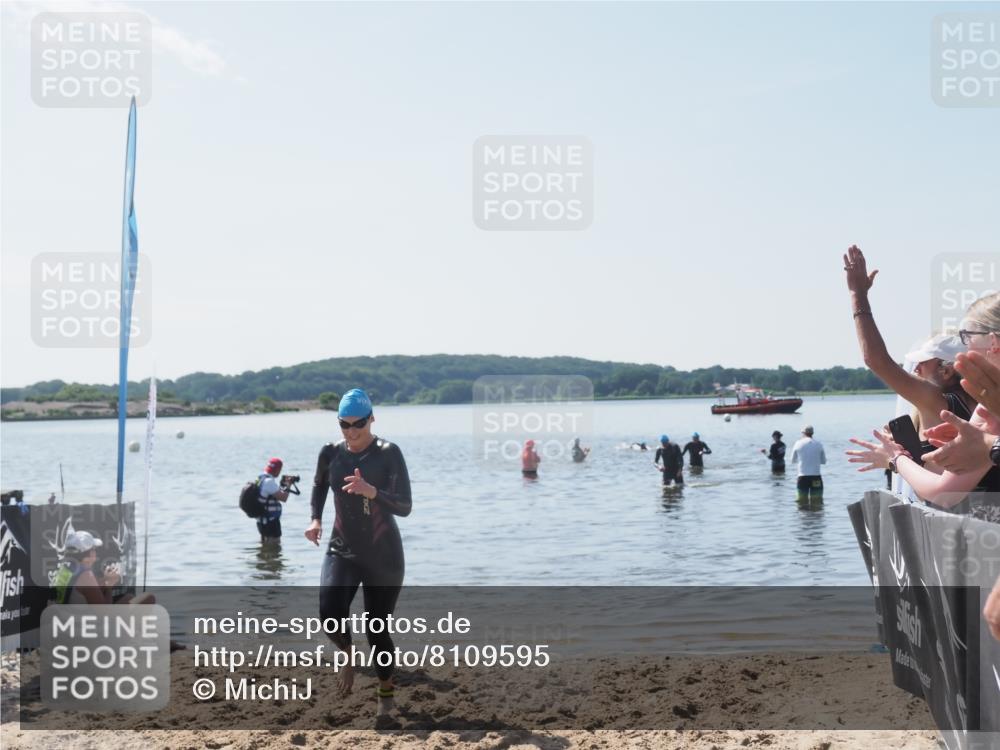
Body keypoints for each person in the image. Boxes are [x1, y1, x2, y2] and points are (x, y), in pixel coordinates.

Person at [305, 388, 412, 716]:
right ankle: (348, 655)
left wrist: (372, 491)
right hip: (342, 546)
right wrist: (315, 518)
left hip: (383, 555)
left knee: (377, 628)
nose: (351, 431)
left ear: (372, 419)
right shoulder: (330, 452)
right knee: (329, 611)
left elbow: (405, 506)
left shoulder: (388, 452)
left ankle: (385, 695)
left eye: (358, 424)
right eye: (344, 424)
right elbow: (320, 484)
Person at [847, 293, 1000, 519]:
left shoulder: (948, 402)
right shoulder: (983, 404)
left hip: (973, 535)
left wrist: (895, 458)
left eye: (968, 337)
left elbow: (944, 494)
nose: (915, 369)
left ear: (993, 342)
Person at [844, 245, 978, 433]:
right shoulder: (984, 403)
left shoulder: (937, 400)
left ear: (946, 371)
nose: (915, 368)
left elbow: (876, 360)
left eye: (923, 362)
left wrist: (857, 295)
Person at [257, 457, 290, 544]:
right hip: (270, 521)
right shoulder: (269, 482)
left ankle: (264, 557)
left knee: (265, 545)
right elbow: (284, 498)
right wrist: (289, 485)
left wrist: (283, 486)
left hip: (261, 520)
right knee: (275, 545)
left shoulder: (260, 479)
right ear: (278, 470)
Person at [790, 425, 826, 503]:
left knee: (801, 502)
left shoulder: (798, 443)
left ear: (803, 433)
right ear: (812, 433)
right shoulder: (819, 444)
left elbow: (792, 460)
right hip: (816, 477)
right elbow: (823, 461)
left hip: (802, 477)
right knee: (817, 502)